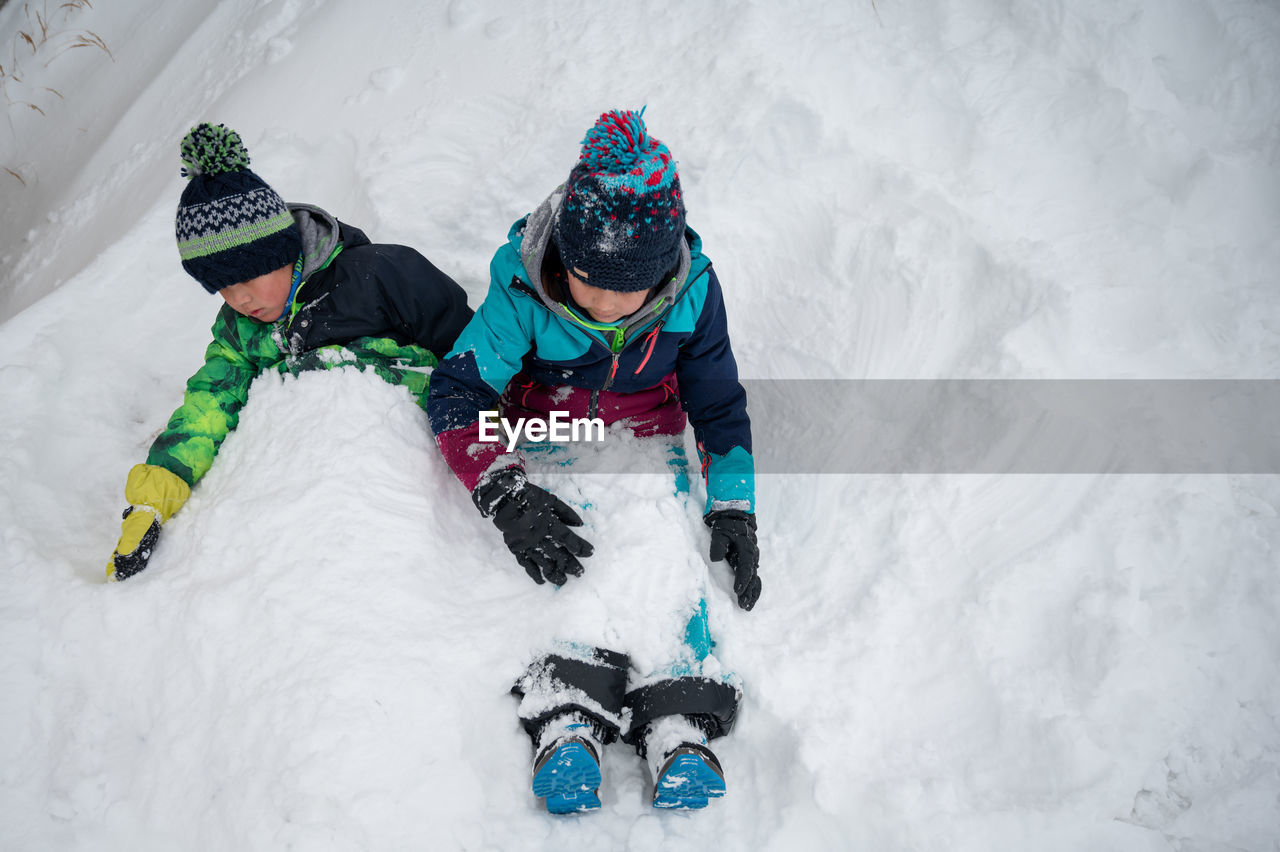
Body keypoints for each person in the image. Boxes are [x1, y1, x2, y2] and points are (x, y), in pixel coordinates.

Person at [426, 108, 760, 813]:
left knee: (667, 553)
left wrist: (732, 504)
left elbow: (719, 405)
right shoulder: (522, 288)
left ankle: (677, 720)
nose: (607, 306)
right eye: (587, 282)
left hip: (646, 435)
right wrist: (503, 489)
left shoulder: (694, 293)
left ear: (662, 269)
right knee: (567, 560)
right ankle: (568, 714)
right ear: (562, 260)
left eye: (626, 290)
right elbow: (460, 389)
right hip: (544, 430)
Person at [107, 123, 472, 581]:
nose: (239, 299)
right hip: (304, 508)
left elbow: (471, 357)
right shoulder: (240, 332)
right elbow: (209, 404)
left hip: (413, 483)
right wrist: (155, 493)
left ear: (284, 250)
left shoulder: (381, 277)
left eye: (248, 277)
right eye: (222, 287)